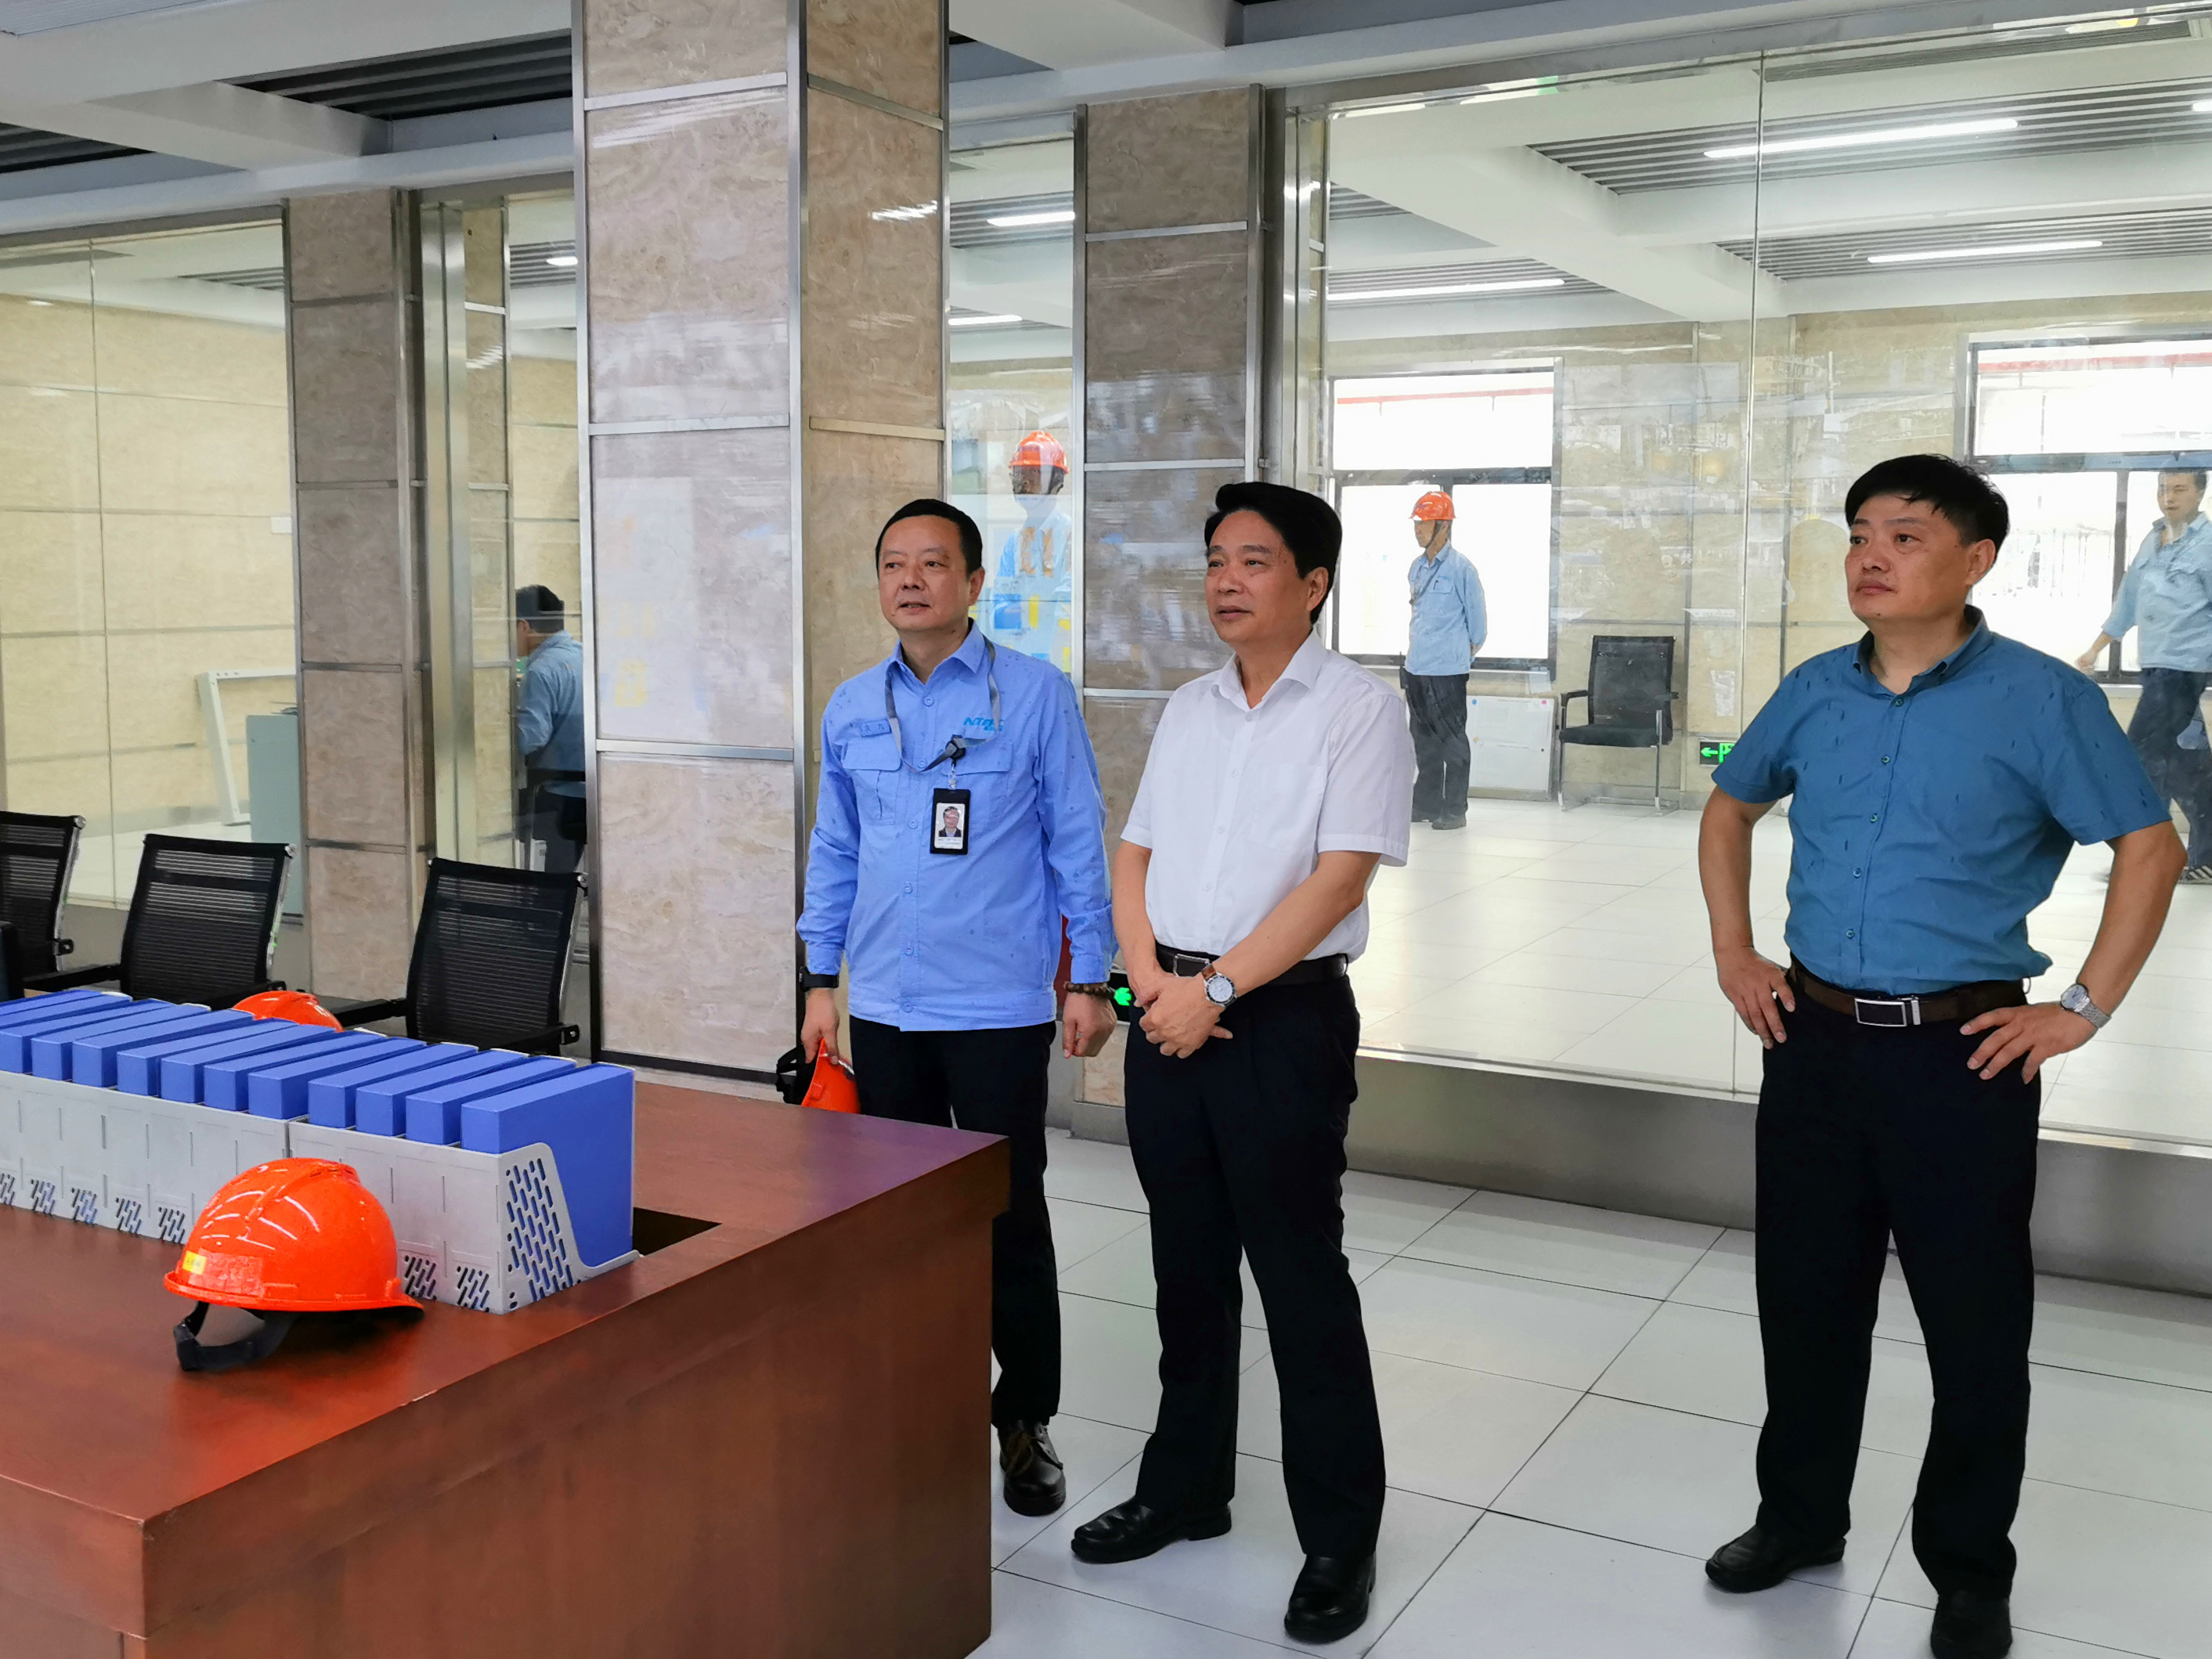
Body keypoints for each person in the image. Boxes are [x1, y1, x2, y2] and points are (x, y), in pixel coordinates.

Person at [1700, 455, 2181, 1659]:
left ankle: (1967, 1565)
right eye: (1860, 532)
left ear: (1975, 560)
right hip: (1810, 1040)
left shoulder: (2040, 698)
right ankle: (1797, 1516)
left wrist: (2080, 1007)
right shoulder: (1815, 687)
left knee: (1973, 1325)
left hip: (1959, 1056)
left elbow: (2150, 844)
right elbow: (1729, 804)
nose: (1870, 554)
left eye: (1905, 535)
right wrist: (1733, 948)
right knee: (1804, 1300)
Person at [1071, 481, 1413, 1647]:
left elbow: (1340, 875)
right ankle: (1185, 1488)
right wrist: (1142, 986)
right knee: (1185, 1266)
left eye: (1253, 560)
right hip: (1168, 1012)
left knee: (1299, 1276)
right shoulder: (1190, 707)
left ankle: (1339, 1534)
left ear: (1312, 585)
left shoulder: (1359, 709)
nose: (1225, 579)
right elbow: (1133, 853)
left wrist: (1212, 990)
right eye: (1216, 558)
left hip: (1279, 1021)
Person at [797, 498, 1117, 1519]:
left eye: (933, 562)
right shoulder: (853, 705)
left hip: (994, 1007)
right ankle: (917, 1399)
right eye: (894, 563)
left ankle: (1024, 1417)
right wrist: (817, 977)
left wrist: (1092, 978)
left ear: (974, 583)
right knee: (900, 1219)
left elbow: (1077, 841)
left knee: (1006, 1213)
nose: (911, 578)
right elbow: (834, 847)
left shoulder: (1033, 695)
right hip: (887, 1006)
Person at [2076, 468, 2212, 881]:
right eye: (2163, 489)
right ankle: (2206, 858)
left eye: (2180, 489)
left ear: (2200, 493)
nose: (2169, 497)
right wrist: (2096, 649)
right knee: (2188, 764)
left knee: (2140, 757)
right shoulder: (2153, 539)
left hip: (2185, 667)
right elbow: (2129, 599)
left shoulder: (2208, 543)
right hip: (2155, 665)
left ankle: (2146, 859)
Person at [1402, 490, 1487, 830]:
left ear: (1444, 527)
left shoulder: (1462, 569)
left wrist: (1460, 655)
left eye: (1425, 523)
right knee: (1424, 742)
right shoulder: (1417, 568)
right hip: (1417, 668)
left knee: (1452, 741)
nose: (1418, 530)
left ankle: (1454, 810)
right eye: (1417, 523)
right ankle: (1426, 804)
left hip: (1447, 672)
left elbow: (1478, 626)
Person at [513, 585, 585, 875]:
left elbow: (531, 739)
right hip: (589, 788)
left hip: (557, 796)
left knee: (552, 881)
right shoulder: (583, 656)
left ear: (523, 626)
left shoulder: (541, 670)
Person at [988, 431, 1075, 669]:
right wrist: (1028, 612)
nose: (1025, 483)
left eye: (1035, 473)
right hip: (1019, 663)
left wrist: (1026, 612)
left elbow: (1066, 608)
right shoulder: (1015, 543)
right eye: (1020, 474)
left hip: (1061, 665)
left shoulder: (1072, 536)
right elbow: (997, 612)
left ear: (1056, 481)